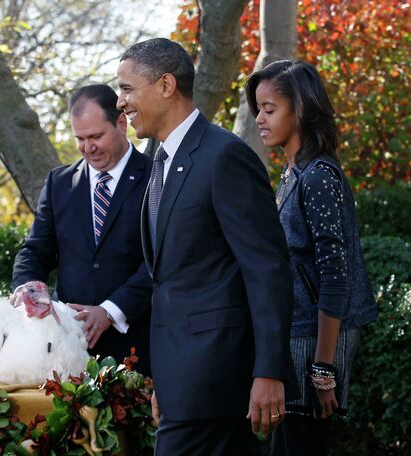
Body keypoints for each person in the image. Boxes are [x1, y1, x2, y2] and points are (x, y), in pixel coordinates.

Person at [115, 38, 295, 456]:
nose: (121, 102)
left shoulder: (224, 157)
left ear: (165, 85)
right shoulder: (160, 160)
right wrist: (168, 382)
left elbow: (267, 269)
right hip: (187, 385)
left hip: (218, 382)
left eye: (127, 88)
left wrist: (269, 372)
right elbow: (171, 280)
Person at [244, 60, 377, 456]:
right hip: (294, 333)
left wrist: (323, 369)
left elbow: (336, 275)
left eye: (269, 109)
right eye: (257, 110)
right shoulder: (292, 174)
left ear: (299, 109)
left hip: (314, 342)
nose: (260, 119)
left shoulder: (319, 176)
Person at [12, 84, 153, 377]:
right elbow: (36, 250)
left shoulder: (156, 178)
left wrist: (111, 311)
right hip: (68, 353)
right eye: (80, 138)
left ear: (121, 123)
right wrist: (26, 287)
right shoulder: (58, 183)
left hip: (139, 349)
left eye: (96, 137)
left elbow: (162, 258)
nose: (88, 148)